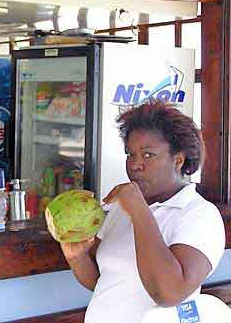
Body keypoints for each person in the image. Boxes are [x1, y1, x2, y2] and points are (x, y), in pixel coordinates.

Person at [60, 101, 225, 323]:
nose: (135, 164)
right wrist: (76, 256)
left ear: (178, 160)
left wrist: (139, 213)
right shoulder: (121, 208)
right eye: (130, 154)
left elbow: (170, 293)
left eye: (148, 155)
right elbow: (105, 282)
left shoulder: (199, 215)